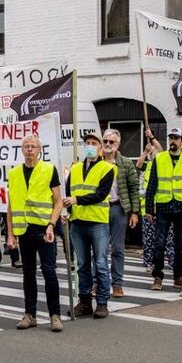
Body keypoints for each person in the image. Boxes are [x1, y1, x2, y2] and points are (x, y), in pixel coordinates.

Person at [6, 134, 65, 332]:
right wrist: (10, 234)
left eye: (33, 146)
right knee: (28, 273)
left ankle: (55, 316)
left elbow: (58, 202)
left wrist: (51, 225)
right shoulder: (14, 173)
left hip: (43, 229)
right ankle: (29, 314)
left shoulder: (49, 170)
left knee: (49, 271)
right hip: (23, 230)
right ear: (22, 150)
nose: (30, 149)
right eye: (26, 146)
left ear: (40, 150)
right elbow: (11, 205)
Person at [67, 132, 117, 318]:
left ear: (100, 148)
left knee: (101, 263)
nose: (90, 145)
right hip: (78, 222)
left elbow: (100, 195)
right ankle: (85, 301)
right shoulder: (75, 169)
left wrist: (76, 200)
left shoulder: (107, 168)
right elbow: (68, 192)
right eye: (87, 143)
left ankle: (102, 303)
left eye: (94, 143)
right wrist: (68, 212)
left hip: (97, 222)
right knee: (82, 265)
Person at [143, 128, 182, 291]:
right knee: (159, 243)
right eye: (170, 138)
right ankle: (158, 277)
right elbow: (151, 185)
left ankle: (179, 277)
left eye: (176, 138)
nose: (173, 141)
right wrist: (149, 209)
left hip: (181, 206)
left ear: (181, 141)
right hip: (164, 205)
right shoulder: (160, 158)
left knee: (180, 244)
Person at [101, 129, 139, 299]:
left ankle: (117, 284)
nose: (108, 144)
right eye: (105, 141)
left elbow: (134, 188)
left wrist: (134, 212)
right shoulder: (94, 162)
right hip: (98, 209)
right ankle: (98, 283)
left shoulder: (125, 163)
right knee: (98, 249)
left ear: (118, 145)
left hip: (118, 208)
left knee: (117, 248)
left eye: (111, 142)